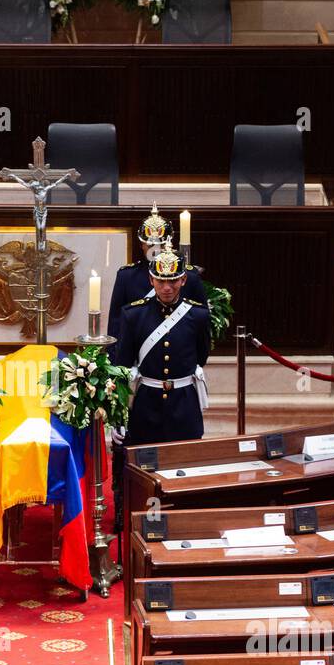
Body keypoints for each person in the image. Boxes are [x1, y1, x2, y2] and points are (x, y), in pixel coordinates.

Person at [108, 205, 207, 530]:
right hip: (144, 389)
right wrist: (119, 394)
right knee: (135, 456)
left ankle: (180, 514)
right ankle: (126, 507)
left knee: (183, 458)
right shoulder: (129, 280)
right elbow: (118, 332)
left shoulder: (189, 283)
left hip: (180, 392)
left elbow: (200, 348)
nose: (166, 286)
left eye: (173, 281)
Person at [114, 242, 212, 449]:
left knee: (186, 464)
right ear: (151, 280)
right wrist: (119, 416)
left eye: (173, 280)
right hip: (146, 404)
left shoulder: (199, 315)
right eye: (160, 280)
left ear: (184, 279)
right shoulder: (132, 315)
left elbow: (201, 356)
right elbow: (123, 364)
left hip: (184, 402)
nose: (167, 287)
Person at [108, 203, 206, 343]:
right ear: (141, 244)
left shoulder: (189, 276)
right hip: (137, 351)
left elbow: (201, 320)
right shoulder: (127, 276)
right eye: (149, 244)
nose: (154, 249)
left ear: (168, 243)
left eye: (159, 244)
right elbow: (116, 322)